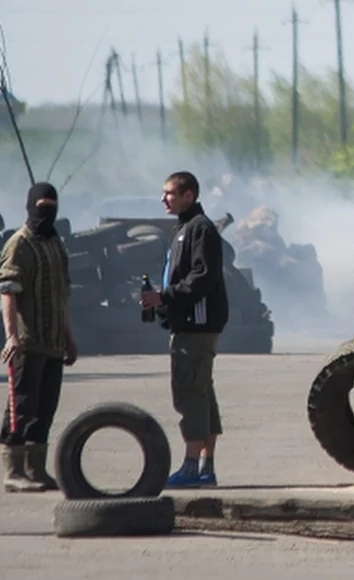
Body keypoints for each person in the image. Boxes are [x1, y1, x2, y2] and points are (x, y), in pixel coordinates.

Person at [140, 171, 229, 489]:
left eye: (170, 193)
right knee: (203, 392)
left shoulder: (200, 229)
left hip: (196, 326)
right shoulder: (183, 228)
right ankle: (206, 467)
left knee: (190, 393)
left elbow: (202, 278)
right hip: (186, 324)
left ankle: (192, 467)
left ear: (189, 194)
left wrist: (164, 296)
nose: (164, 199)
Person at [0, 182, 78, 493]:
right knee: (21, 407)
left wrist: (69, 338)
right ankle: (13, 472)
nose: (47, 212)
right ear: (30, 206)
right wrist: (11, 336)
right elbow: (8, 291)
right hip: (28, 342)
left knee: (45, 408)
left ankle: (36, 470)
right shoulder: (20, 244)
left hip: (53, 343)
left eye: (52, 206)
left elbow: (63, 295)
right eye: (42, 206)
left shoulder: (56, 244)